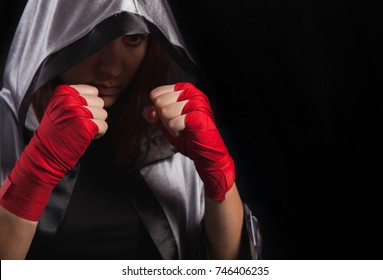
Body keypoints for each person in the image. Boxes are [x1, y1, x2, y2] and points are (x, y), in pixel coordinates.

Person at [0, 0, 261, 260]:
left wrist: (219, 175)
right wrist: (36, 171)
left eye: (134, 38)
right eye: (92, 37)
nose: (113, 68)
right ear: (50, 32)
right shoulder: (6, 124)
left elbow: (230, 265)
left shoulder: (169, 125)